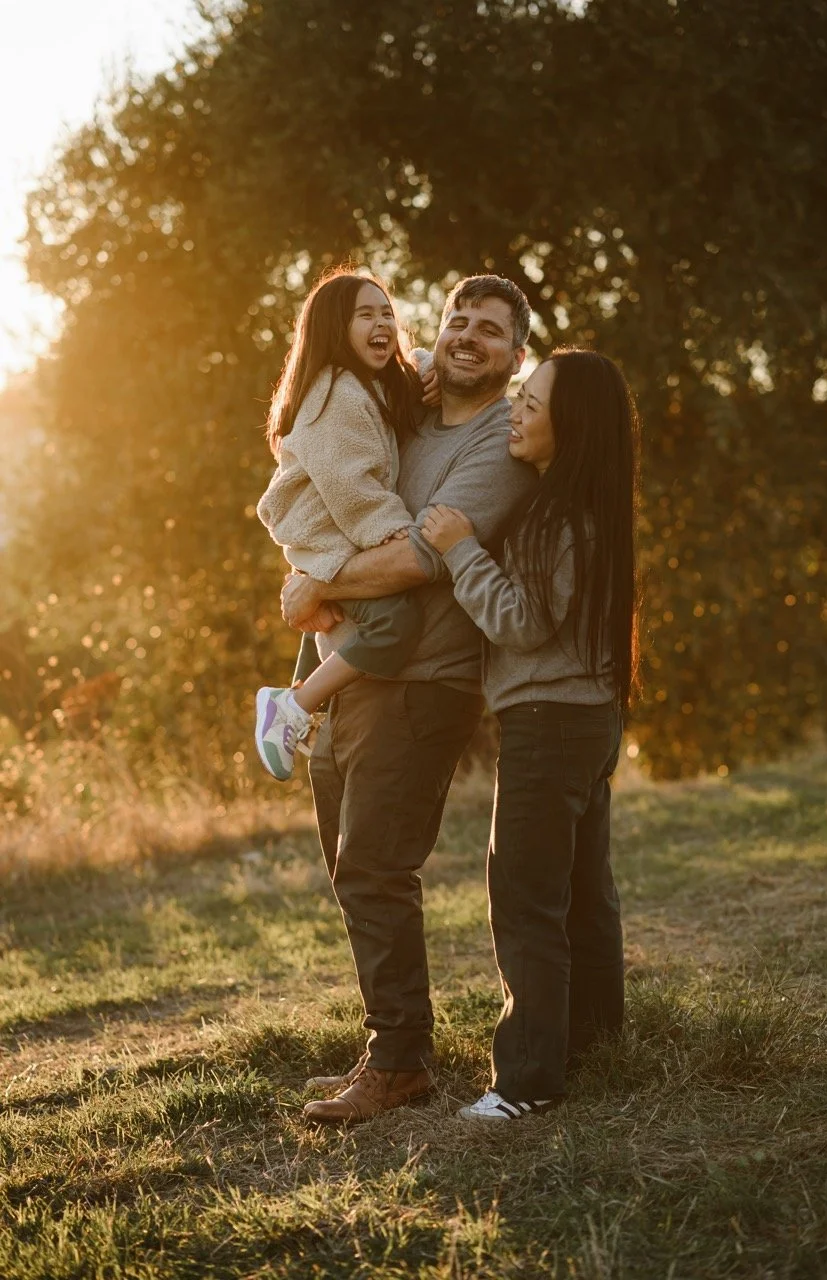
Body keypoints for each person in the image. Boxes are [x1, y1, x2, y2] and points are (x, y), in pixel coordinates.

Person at [280, 275, 538, 1123]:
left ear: (515, 354)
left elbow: (418, 562)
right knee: (350, 870)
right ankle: (388, 1047)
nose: (466, 337)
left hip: (423, 680)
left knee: (375, 867)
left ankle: (399, 1064)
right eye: (456, 320)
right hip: (353, 667)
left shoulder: (500, 442)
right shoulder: (414, 400)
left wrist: (313, 577)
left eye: (489, 331)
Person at [421, 348, 640, 1121]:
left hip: (548, 722)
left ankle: (527, 1083)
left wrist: (457, 551)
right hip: (587, 719)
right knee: (583, 891)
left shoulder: (554, 519)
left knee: (523, 898)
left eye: (532, 404)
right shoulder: (588, 509)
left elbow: (518, 621)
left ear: (568, 426)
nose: (515, 410)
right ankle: (595, 1042)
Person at [254, 269, 428, 781]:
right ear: (335, 328)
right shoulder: (337, 395)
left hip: (331, 534)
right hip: (329, 533)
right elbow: (352, 484)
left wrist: (425, 364)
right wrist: (392, 529)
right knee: (394, 622)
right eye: (365, 315)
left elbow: (410, 370)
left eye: (387, 313)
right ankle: (291, 705)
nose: (383, 324)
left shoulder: (365, 385)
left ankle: (302, 706)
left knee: (332, 624)